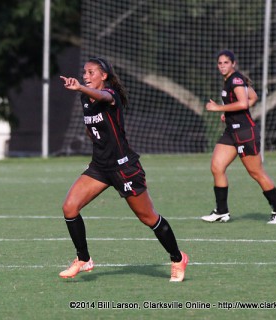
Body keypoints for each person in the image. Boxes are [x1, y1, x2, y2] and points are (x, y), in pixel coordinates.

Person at [59, 57, 188, 281]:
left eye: (91, 73)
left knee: (149, 218)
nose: (85, 76)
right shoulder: (85, 98)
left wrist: (80, 86)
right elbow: (92, 128)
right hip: (100, 167)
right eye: (84, 73)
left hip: (124, 167)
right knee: (70, 207)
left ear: (104, 76)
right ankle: (83, 259)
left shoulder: (110, 96)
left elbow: (105, 96)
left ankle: (178, 258)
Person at [201, 50, 276, 224]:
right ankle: (221, 211)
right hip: (231, 132)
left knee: (256, 172)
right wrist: (229, 114)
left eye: (226, 62)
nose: (222, 66)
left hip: (244, 132)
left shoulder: (236, 80)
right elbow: (252, 97)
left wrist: (219, 108)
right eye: (220, 63)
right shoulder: (231, 80)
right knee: (217, 167)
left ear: (233, 63)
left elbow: (243, 102)